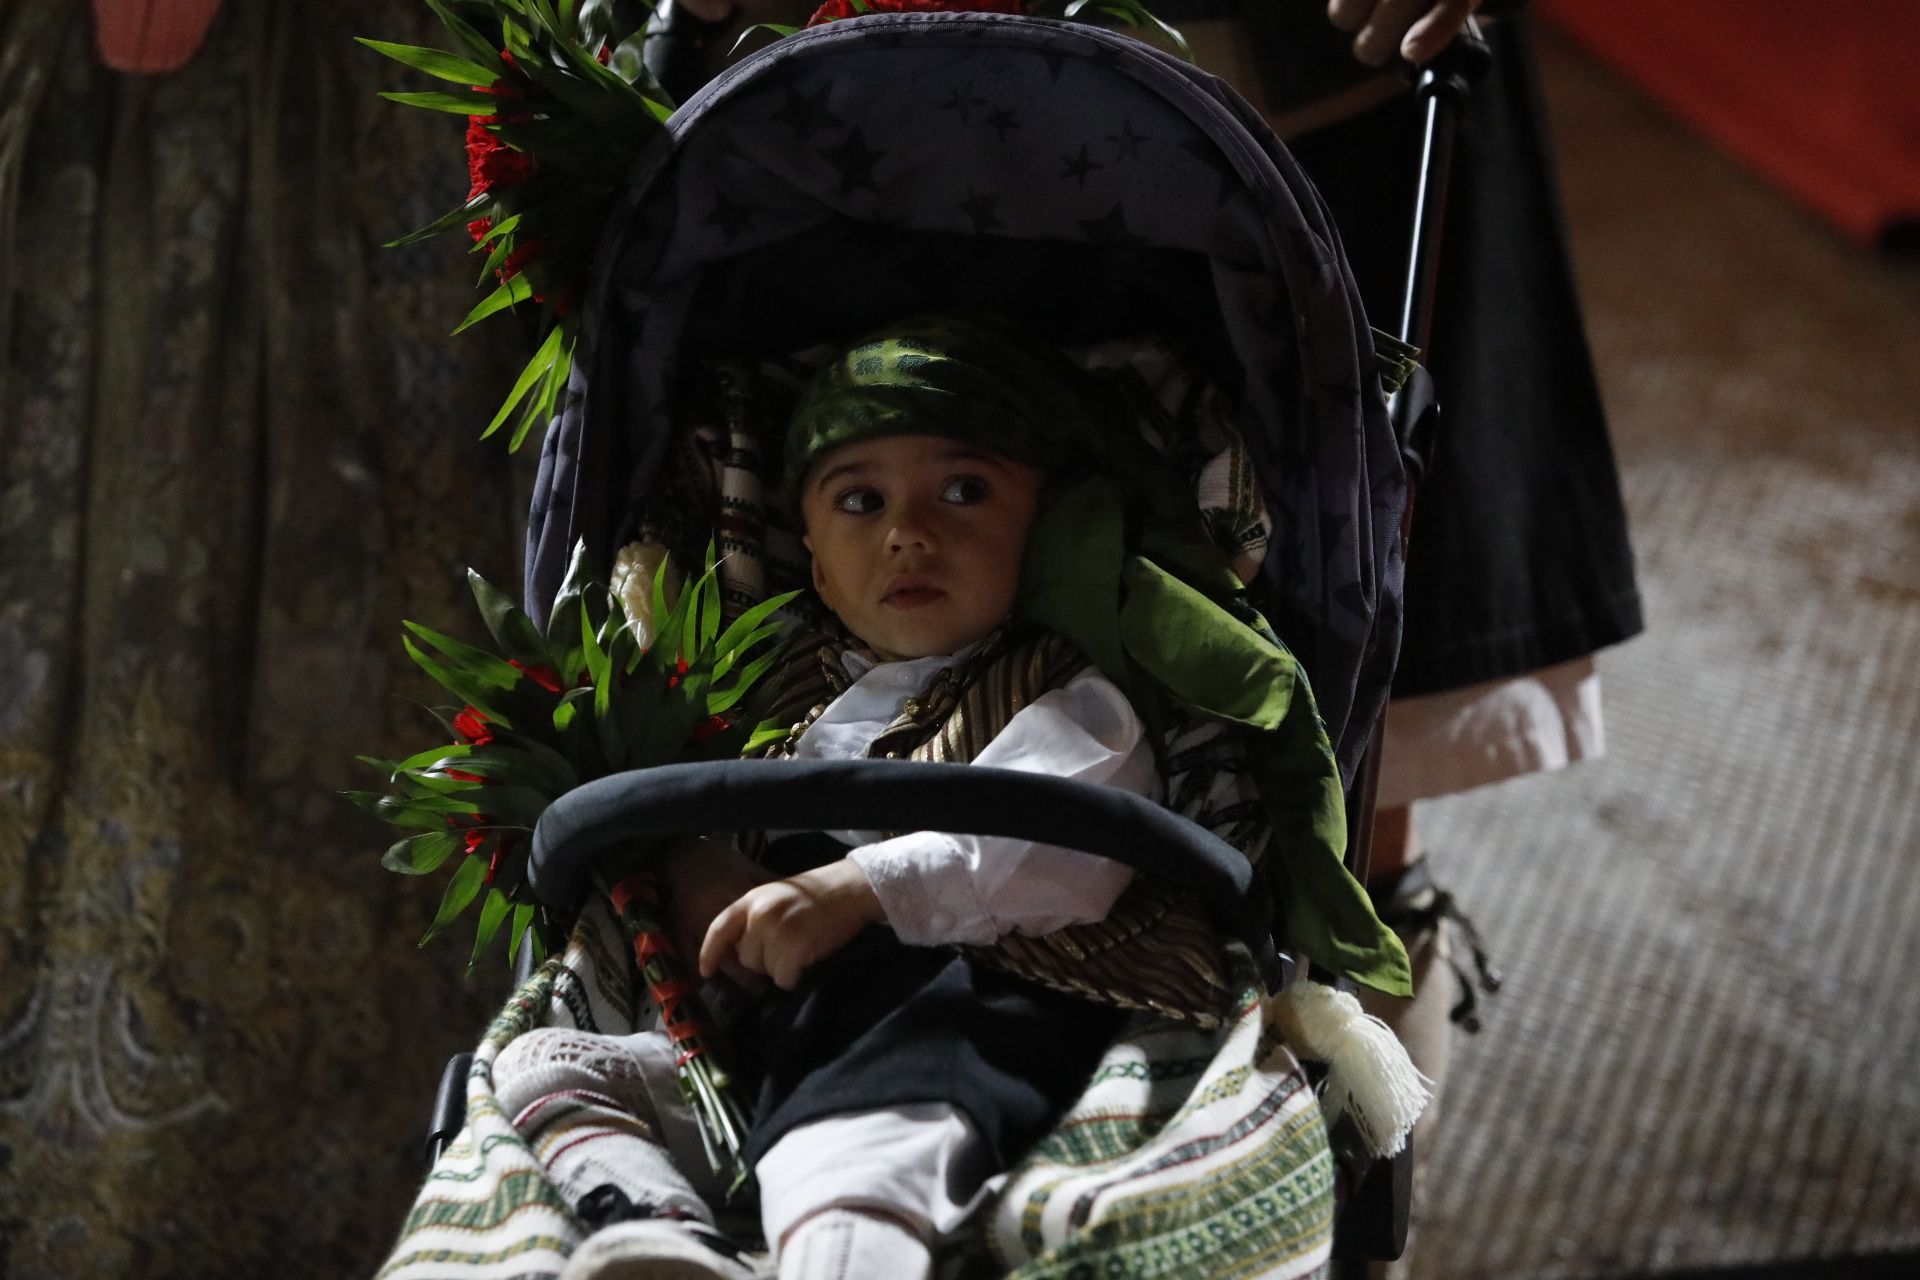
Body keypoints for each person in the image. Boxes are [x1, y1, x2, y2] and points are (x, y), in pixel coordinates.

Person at [493, 312, 1410, 1280]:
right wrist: (696, 871)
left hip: (973, 1003)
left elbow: (1064, 841)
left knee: (851, 1152)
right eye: (860, 500)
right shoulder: (765, 698)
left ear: (1040, 526)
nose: (909, 532)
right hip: (767, 1034)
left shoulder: (1068, 689)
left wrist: (855, 888)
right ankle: (659, 1225)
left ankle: (841, 1250)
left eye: (965, 490)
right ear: (812, 563)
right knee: (549, 1069)